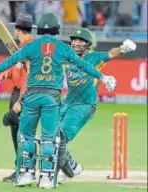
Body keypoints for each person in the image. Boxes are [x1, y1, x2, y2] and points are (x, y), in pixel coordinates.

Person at [0, 12, 117, 189]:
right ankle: (46, 177)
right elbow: (84, 65)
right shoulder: (64, 48)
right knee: (49, 138)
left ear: (40, 28)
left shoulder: (31, 46)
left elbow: (10, 60)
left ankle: (26, 174)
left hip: (32, 96)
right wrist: (103, 77)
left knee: (27, 136)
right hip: (51, 98)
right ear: (57, 29)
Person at [57, 28, 137, 183]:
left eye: (80, 40)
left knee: (61, 136)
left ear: (87, 44)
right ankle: (72, 166)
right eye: (74, 40)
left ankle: (68, 171)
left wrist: (123, 49)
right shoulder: (68, 57)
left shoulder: (93, 58)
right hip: (67, 102)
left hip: (85, 104)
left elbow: (110, 54)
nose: (76, 43)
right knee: (52, 135)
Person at [0, 13, 34, 182]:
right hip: (18, 93)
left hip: (23, 95)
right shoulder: (22, 46)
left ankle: (25, 169)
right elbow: (18, 69)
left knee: (22, 134)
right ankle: (21, 168)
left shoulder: (28, 47)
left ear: (17, 30)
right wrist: (7, 74)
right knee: (18, 133)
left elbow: (29, 77)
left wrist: (21, 101)